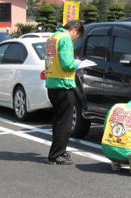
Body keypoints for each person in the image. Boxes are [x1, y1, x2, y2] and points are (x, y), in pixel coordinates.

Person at [45, 20, 84, 165]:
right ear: (74, 30)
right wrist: (77, 63)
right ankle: (56, 155)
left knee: (58, 121)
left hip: (52, 84)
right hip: (64, 85)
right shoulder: (65, 39)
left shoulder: (52, 38)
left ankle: (58, 150)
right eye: (77, 36)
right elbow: (67, 64)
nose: (75, 39)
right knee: (65, 123)